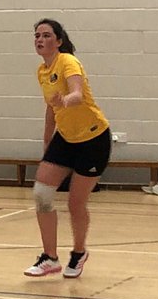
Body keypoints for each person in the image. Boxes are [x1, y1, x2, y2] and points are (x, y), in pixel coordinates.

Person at [25, 18, 111, 279]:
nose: (40, 39)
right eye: (37, 35)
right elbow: (51, 108)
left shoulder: (68, 62)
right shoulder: (42, 71)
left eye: (46, 35)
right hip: (65, 138)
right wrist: (47, 141)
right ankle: (50, 258)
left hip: (93, 139)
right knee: (41, 194)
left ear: (59, 41)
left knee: (76, 203)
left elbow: (77, 95)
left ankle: (79, 252)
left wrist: (65, 100)